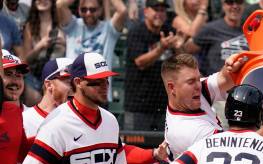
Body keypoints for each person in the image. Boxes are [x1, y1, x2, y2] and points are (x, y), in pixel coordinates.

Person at [124, 0, 182, 131]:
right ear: (145, 12)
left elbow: (182, 61)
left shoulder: (169, 32)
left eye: (162, 10)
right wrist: (161, 48)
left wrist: (178, 47)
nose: (160, 14)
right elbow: (140, 63)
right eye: (156, 10)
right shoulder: (136, 32)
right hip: (139, 105)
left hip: (165, 105)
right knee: (136, 149)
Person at [184, 0, 246, 78]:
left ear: (244, 5)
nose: (235, 6)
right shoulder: (211, 29)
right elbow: (187, 50)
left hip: (245, 83)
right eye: (230, 2)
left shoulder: (250, 29)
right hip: (219, 84)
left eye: (239, 2)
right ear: (223, 5)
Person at [58, 0, 127, 67]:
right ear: (78, 10)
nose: (88, 13)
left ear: (100, 10)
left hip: (100, 78)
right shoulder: (73, 25)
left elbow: (122, 10)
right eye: (83, 9)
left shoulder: (109, 29)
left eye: (92, 10)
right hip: (75, 78)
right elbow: (60, 4)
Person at [22, 0, 67, 96]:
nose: (42, 0)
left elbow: (64, 3)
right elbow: (25, 59)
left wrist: (65, 43)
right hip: (35, 77)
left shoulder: (61, 21)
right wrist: (40, 46)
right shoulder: (29, 26)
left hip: (58, 75)